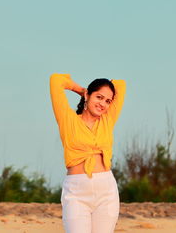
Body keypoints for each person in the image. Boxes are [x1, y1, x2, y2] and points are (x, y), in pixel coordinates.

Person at [49, 73, 126, 233]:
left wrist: (94, 95)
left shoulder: (107, 120)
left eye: (107, 101)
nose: (103, 104)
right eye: (99, 97)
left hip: (106, 191)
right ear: (88, 95)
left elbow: (120, 85)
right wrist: (82, 90)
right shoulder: (67, 119)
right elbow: (56, 80)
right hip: (76, 192)